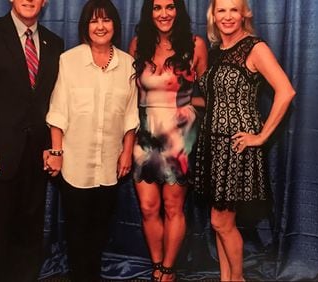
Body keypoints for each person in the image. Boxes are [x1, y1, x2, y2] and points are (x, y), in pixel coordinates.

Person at [194, 0, 296, 281]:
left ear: (244, 15)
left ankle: (237, 278)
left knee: (220, 220)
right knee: (220, 224)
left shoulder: (255, 47)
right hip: (213, 145)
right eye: (221, 10)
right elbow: (216, 101)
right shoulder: (216, 52)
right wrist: (179, 101)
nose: (227, 16)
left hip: (237, 146)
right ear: (213, 15)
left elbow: (285, 91)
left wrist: (261, 136)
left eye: (233, 10)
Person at [0, 0, 64, 281]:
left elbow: (54, 103)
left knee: (29, 234)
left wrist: (52, 147)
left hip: (35, 158)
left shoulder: (54, 43)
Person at [44, 0, 139, 281]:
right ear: (86, 27)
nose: (100, 26)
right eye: (94, 21)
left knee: (100, 229)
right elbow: (58, 110)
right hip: (75, 164)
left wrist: (127, 152)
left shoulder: (127, 64)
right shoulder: (69, 60)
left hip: (110, 162)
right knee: (77, 230)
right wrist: (56, 152)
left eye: (106, 20)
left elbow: (131, 113)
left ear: (115, 25)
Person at [129, 0, 208, 280]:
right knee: (149, 206)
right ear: (149, 13)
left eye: (170, 6)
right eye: (157, 7)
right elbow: (129, 95)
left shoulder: (195, 44)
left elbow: (206, 93)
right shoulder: (139, 44)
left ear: (179, 10)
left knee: (174, 206)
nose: (164, 13)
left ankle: (168, 270)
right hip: (146, 131)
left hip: (179, 135)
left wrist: (187, 107)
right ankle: (156, 265)